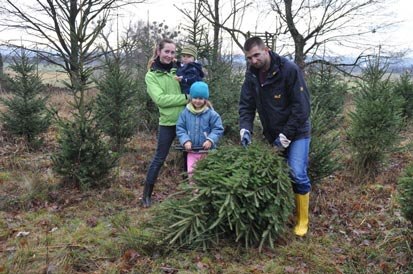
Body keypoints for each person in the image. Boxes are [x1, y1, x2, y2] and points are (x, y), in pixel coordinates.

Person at [238, 36, 311, 236]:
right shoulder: (251, 75)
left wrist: (285, 137)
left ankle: (302, 219)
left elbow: (301, 108)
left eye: (256, 55)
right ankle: (281, 212)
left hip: (297, 131)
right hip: (272, 132)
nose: (253, 61)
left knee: (296, 172)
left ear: (266, 50)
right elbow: (246, 105)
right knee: (275, 174)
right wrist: (245, 129)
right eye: (249, 58)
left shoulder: (289, 70)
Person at [142, 38, 189, 208]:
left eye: (172, 52)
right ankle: (146, 195)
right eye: (166, 51)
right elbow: (160, 99)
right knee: (159, 158)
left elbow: (194, 80)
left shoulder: (180, 69)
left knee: (188, 156)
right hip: (168, 123)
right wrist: (185, 98)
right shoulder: (152, 75)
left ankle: (189, 192)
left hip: (186, 121)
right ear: (159, 52)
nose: (170, 55)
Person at [176, 81, 224, 178]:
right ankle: (193, 192)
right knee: (192, 175)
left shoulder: (212, 114)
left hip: (207, 152)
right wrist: (185, 141)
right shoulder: (185, 113)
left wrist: (210, 140)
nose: (197, 101)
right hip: (192, 152)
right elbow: (180, 128)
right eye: (195, 98)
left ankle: (205, 193)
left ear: (205, 99)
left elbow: (218, 129)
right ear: (191, 98)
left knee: (207, 175)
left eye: (201, 98)